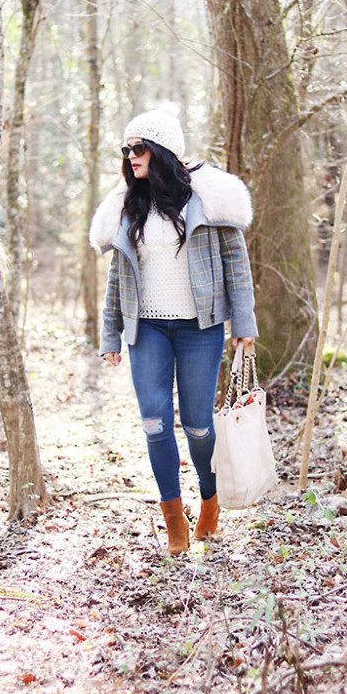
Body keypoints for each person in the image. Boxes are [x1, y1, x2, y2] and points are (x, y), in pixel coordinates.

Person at [89, 105, 258, 556]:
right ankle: (173, 520)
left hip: (200, 329)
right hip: (147, 331)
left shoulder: (207, 202)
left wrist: (245, 325)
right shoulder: (129, 208)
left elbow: (236, 269)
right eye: (126, 149)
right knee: (154, 422)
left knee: (199, 426)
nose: (131, 156)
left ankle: (210, 499)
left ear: (161, 150)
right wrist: (110, 337)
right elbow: (117, 279)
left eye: (139, 148)